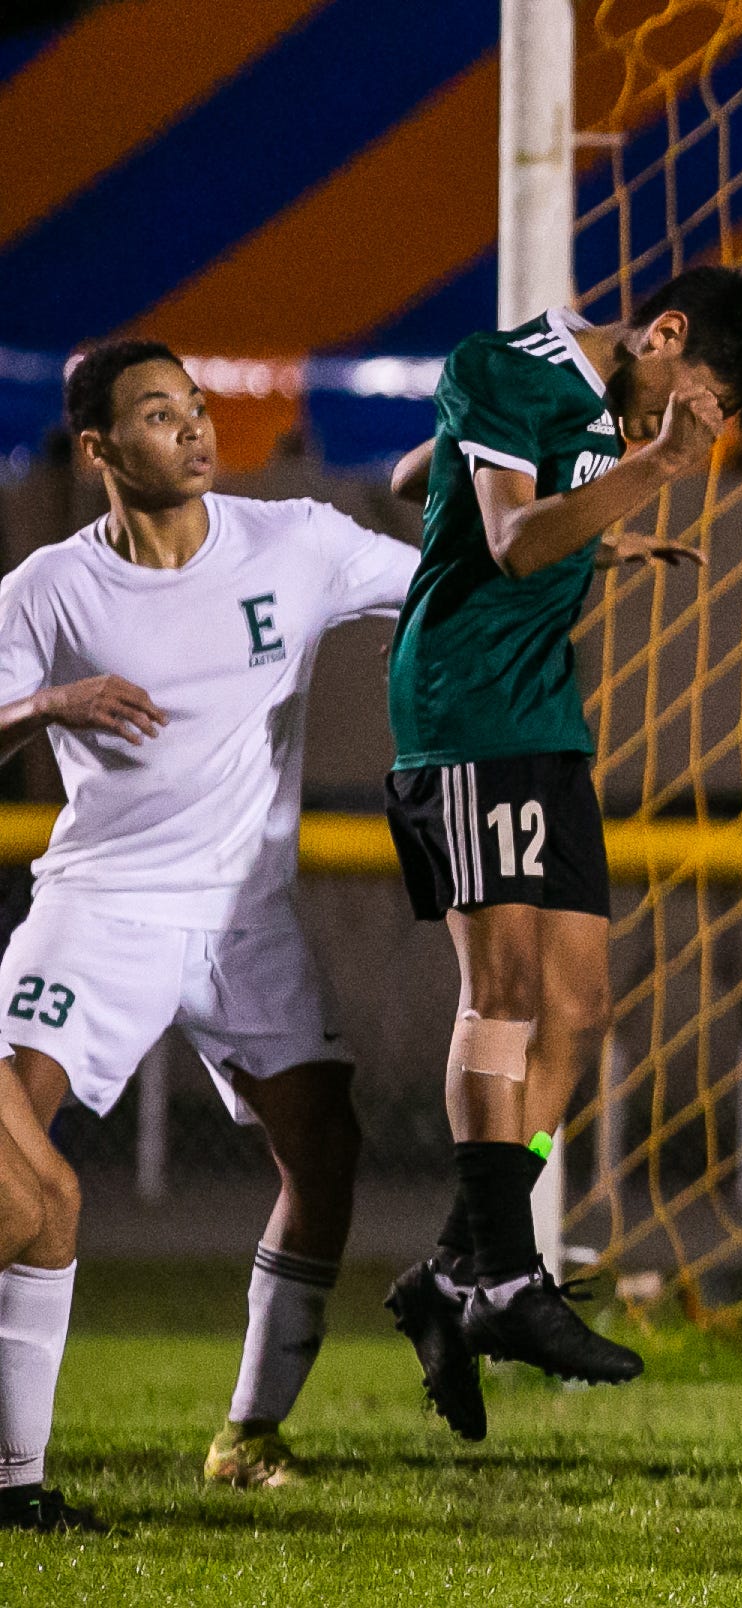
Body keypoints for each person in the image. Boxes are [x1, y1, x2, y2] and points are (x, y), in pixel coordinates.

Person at [0, 340, 422, 1524]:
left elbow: (452, 576)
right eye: (157, 414)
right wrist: (52, 702)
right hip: (102, 907)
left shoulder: (295, 542)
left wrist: (562, 546)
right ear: (97, 450)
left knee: (323, 1148)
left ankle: (249, 1431)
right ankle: (15, 1478)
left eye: (194, 406)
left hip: (244, 920)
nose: (193, 428)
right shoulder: (50, 588)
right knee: (19, 1170)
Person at [380, 267, 742, 1440]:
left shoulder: (603, 412)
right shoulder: (506, 366)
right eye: (701, 401)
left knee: (580, 1008)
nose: (694, 430)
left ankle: (454, 1272)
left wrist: (602, 542)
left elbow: (421, 477)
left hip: (545, 717)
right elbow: (512, 542)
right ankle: (506, 1278)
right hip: (465, 711)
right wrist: (648, 471)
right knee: (503, 994)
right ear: (664, 333)